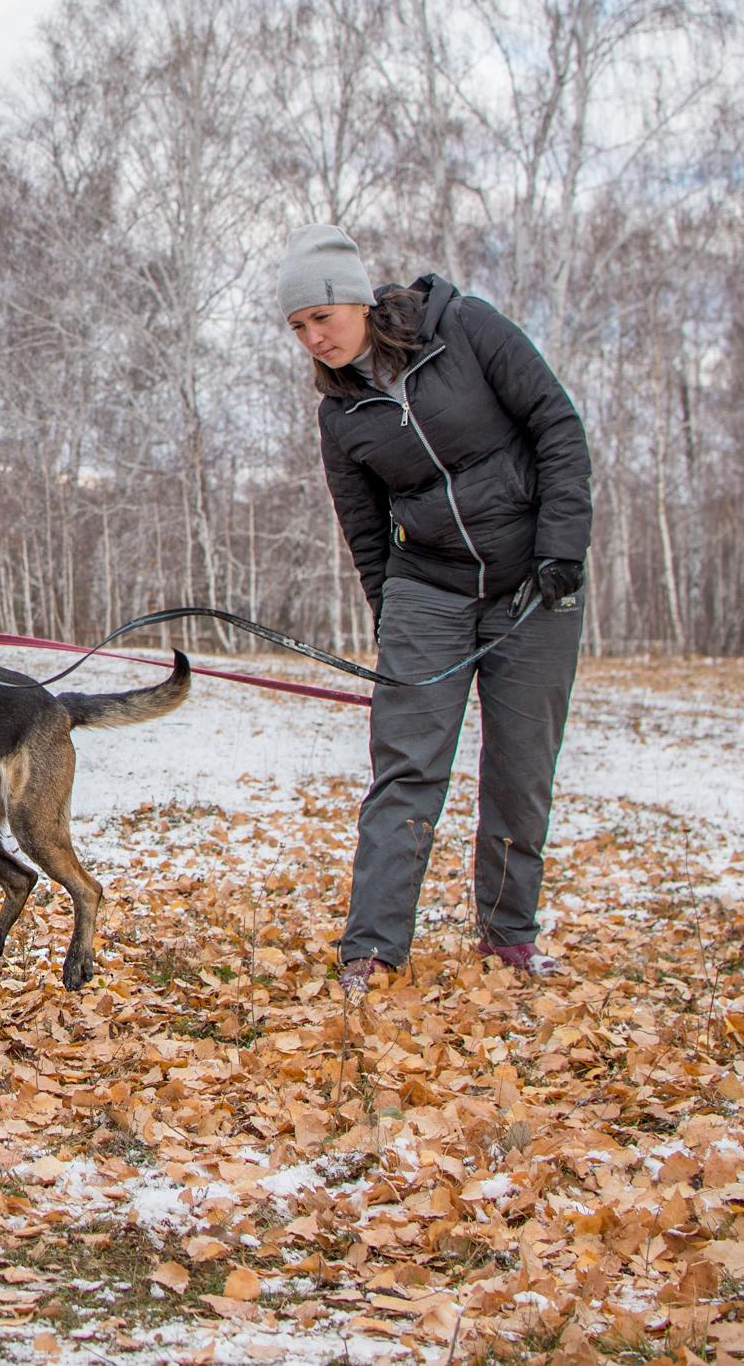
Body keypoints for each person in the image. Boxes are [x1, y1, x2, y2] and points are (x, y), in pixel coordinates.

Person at [278, 225, 592, 998]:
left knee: (521, 770)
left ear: (356, 299)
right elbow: (365, 529)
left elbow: (557, 425)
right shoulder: (340, 415)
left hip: (532, 586)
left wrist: (562, 549)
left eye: (321, 318)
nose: (313, 339)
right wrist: (394, 619)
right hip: (429, 589)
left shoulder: (464, 328)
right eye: (297, 328)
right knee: (407, 769)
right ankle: (374, 948)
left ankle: (508, 936)